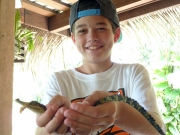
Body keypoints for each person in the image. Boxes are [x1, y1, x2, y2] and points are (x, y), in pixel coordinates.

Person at [36, 0, 166, 134]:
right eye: (82, 30)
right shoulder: (59, 80)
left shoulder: (134, 73)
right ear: (74, 39)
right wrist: (47, 129)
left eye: (101, 28)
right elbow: (40, 129)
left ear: (115, 34)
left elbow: (157, 130)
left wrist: (118, 111)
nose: (92, 36)